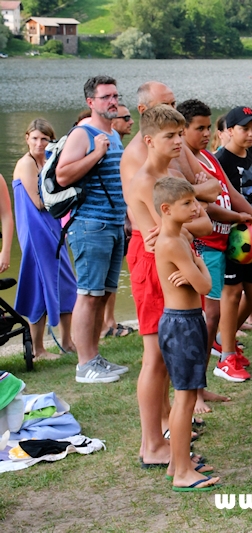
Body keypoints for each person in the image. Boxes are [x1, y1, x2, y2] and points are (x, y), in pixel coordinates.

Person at [123, 105, 213, 467]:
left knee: (166, 356)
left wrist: (186, 223)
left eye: (180, 135)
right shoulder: (146, 180)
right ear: (149, 141)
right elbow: (160, 236)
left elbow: (202, 223)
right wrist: (191, 218)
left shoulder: (171, 173)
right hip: (154, 265)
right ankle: (152, 444)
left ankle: (163, 435)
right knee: (155, 357)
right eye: (171, 137)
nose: (180, 142)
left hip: (172, 258)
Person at [177, 100, 252, 403]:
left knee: (215, 315)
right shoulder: (180, 161)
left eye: (208, 127)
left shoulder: (206, 158)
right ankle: (197, 386)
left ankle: (200, 385)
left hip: (223, 243)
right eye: (199, 128)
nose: (207, 133)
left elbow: (228, 194)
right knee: (208, 316)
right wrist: (233, 217)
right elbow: (199, 204)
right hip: (205, 247)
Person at [56, 75, 129, 384]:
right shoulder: (82, 134)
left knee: (102, 294)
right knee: (88, 294)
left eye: (115, 95)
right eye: (106, 97)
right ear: (91, 103)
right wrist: (95, 153)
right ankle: (84, 365)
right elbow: (62, 176)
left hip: (113, 224)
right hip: (90, 224)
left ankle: (95, 357)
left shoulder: (113, 134)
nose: (112, 101)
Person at [152, 176, 219, 492]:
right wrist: (200, 264)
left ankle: (178, 464)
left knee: (188, 396)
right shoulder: (172, 243)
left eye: (194, 201)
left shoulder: (181, 233)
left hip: (187, 319)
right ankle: (181, 472)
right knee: (184, 399)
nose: (195, 208)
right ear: (166, 209)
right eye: (187, 204)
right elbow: (205, 286)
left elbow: (196, 282)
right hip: (181, 324)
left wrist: (194, 265)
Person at [214, 106, 252, 381]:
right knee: (232, 291)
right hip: (230, 237)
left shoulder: (251, 157)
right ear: (229, 131)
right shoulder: (221, 160)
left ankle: (223, 339)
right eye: (244, 128)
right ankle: (227, 354)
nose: (251, 134)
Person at [12, 119, 76, 360]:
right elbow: (39, 202)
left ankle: (67, 341)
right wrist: (69, 193)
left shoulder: (48, 161)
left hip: (54, 227)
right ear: (27, 138)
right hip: (35, 231)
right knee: (39, 285)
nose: (39, 143)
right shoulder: (26, 164)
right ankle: (38, 348)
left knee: (67, 282)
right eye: (35, 138)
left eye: (45, 139)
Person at [101, 104, 136, 340]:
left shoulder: (120, 145)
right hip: (108, 221)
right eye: (126, 118)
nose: (131, 121)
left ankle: (108, 321)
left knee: (112, 277)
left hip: (119, 219)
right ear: (113, 122)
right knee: (101, 279)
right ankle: (105, 323)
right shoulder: (107, 144)